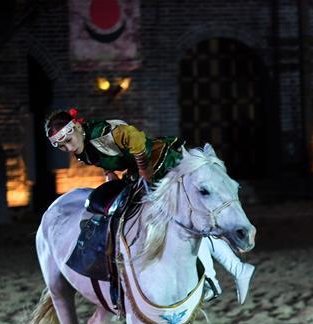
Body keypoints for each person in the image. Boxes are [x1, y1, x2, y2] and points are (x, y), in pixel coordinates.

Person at [44, 109, 255, 304]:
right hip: (138, 172)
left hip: (161, 163)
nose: (69, 148)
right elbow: (107, 160)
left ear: (78, 128)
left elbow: (134, 137)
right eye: (62, 146)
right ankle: (228, 272)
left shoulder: (102, 132)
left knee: (186, 220)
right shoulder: (84, 148)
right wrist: (110, 175)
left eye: (69, 141)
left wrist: (143, 167)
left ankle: (220, 275)